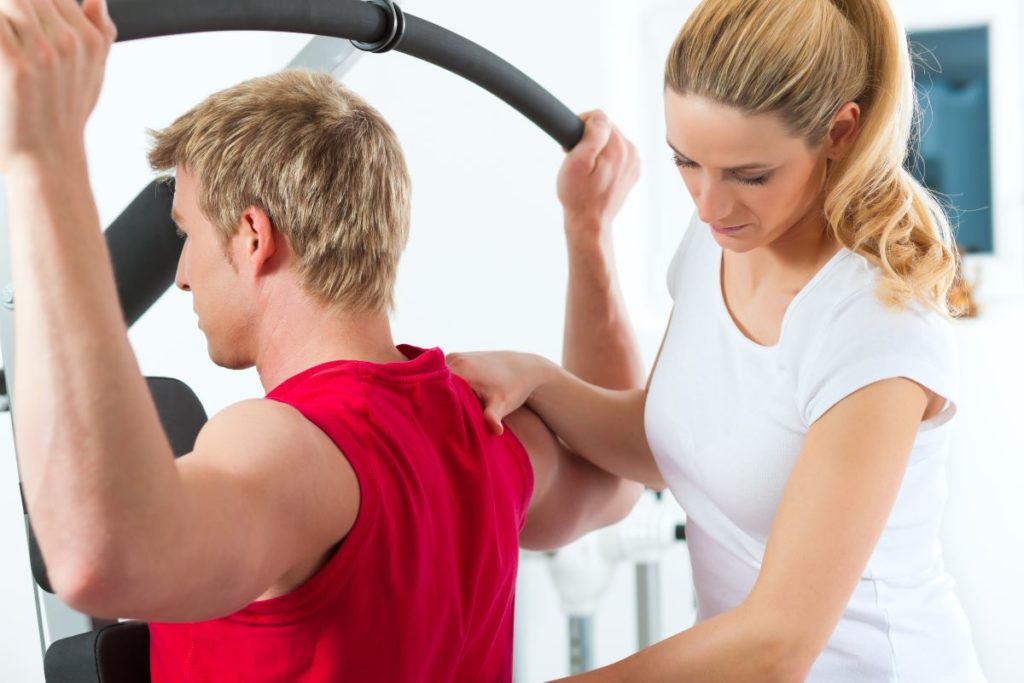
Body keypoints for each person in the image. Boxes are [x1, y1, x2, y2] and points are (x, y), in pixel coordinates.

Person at [0, 1, 641, 681]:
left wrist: (44, 152)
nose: (181, 276)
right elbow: (617, 474)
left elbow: (95, 555)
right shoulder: (480, 421)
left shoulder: (284, 447)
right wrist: (590, 232)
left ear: (253, 236)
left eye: (186, 234)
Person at [448, 0, 988, 680]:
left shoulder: (875, 328)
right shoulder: (721, 241)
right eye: (687, 162)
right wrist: (539, 378)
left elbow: (777, 642)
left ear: (841, 132)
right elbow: (671, 443)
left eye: (748, 175)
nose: (708, 205)